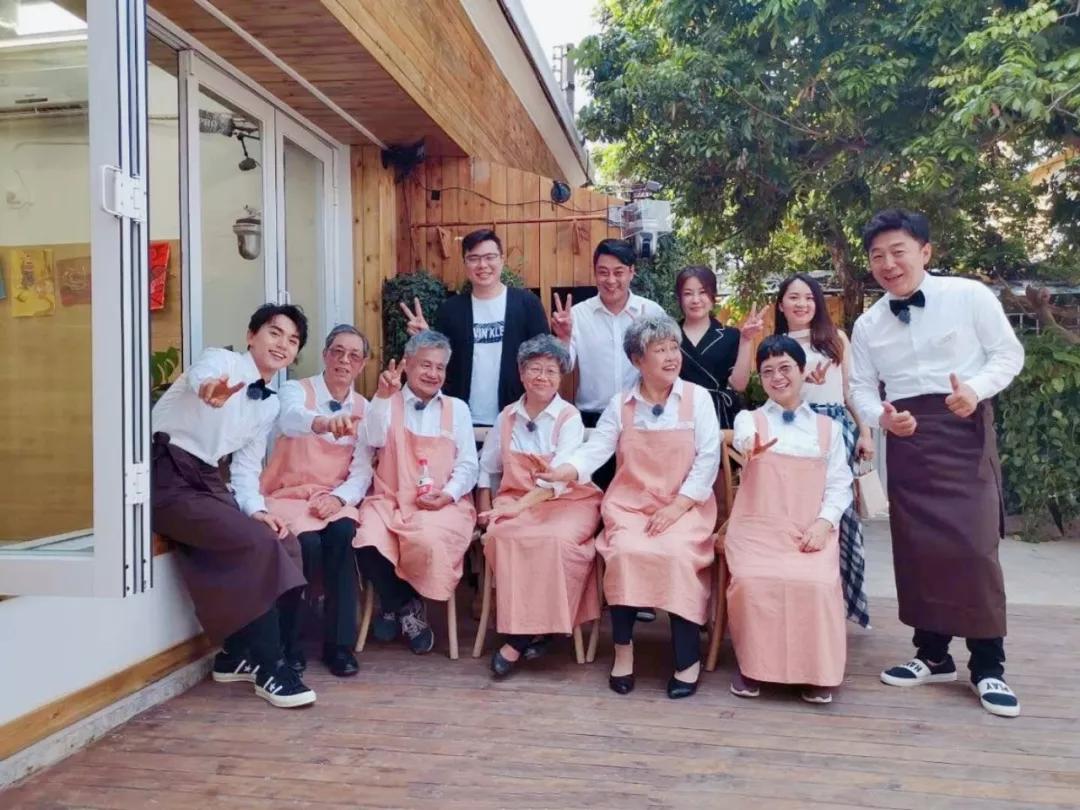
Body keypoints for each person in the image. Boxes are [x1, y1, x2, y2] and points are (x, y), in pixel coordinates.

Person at [850, 209, 1025, 718]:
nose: (887, 264)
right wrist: (880, 417)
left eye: (897, 251)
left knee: (974, 548)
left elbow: (1008, 355)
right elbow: (860, 386)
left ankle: (988, 665)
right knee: (917, 548)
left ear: (925, 251)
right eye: (877, 255)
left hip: (963, 429)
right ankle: (932, 654)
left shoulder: (968, 296)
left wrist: (976, 389)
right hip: (907, 437)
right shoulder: (868, 323)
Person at [538, 315, 720, 699]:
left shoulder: (697, 398)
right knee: (624, 552)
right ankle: (623, 651)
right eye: (660, 350)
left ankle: (687, 657)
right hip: (631, 506)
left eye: (674, 348)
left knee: (677, 555)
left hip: (685, 506)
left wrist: (678, 507)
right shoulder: (621, 403)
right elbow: (596, 450)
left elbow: (708, 459)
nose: (671, 357)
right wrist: (565, 470)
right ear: (638, 360)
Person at [151, 303, 315, 709]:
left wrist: (256, 509)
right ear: (250, 336)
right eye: (274, 332)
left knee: (285, 541)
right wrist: (209, 389)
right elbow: (203, 377)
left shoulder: (269, 404)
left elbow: (244, 468)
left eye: (293, 340)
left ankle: (239, 654)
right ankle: (269, 667)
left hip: (208, 480)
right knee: (258, 545)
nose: (282, 344)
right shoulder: (221, 361)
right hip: (166, 475)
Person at [726, 335, 853, 704]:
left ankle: (815, 673)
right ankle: (754, 668)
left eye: (785, 368)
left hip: (808, 528)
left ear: (802, 371)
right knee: (752, 581)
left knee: (814, 583)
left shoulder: (828, 428)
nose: (777, 377)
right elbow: (744, 440)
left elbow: (840, 485)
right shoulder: (749, 420)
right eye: (767, 371)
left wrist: (824, 524)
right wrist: (748, 447)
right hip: (756, 529)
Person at [476, 335, 603, 678]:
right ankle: (538, 629)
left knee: (555, 541)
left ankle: (518, 639)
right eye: (535, 369)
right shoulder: (507, 417)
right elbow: (487, 468)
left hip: (568, 500)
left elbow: (557, 481)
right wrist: (486, 509)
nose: (542, 377)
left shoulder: (569, 417)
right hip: (515, 498)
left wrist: (518, 508)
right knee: (504, 537)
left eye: (551, 370)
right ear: (521, 373)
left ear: (561, 377)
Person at [353, 330, 479, 654]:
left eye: (440, 367)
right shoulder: (386, 402)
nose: (433, 373)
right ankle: (406, 606)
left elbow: (468, 465)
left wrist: (449, 493)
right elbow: (372, 439)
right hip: (389, 497)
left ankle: (391, 606)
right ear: (407, 364)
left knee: (425, 539)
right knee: (365, 538)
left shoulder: (457, 409)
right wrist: (382, 397)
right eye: (425, 365)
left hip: (442, 505)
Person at [260, 324, 373, 678]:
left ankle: (339, 646)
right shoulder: (296, 391)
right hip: (288, 494)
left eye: (354, 355)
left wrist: (338, 499)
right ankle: (289, 642)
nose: (344, 360)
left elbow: (362, 471)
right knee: (304, 545)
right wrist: (325, 422)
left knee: (343, 536)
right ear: (325, 355)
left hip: (332, 497)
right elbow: (291, 419)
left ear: (362, 364)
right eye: (337, 351)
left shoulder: (365, 409)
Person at [773, 273, 872, 628]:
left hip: (837, 431)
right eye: (793, 297)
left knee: (839, 516)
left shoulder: (835, 338)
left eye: (808, 297)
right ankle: (800, 596)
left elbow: (850, 392)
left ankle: (841, 601)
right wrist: (800, 384)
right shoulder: (777, 344)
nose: (802, 304)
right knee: (798, 514)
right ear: (781, 304)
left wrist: (865, 432)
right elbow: (774, 395)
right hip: (794, 432)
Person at [400, 229, 549, 426]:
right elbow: (441, 362)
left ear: (502, 259)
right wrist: (427, 339)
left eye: (490, 257)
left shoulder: (527, 304)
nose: (482, 265)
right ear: (465, 263)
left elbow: (545, 359)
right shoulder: (451, 310)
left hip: (517, 418)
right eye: (474, 258)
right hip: (460, 420)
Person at [550, 238, 665, 489]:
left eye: (618, 272)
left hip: (641, 418)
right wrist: (564, 338)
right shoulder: (578, 314)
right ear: (595, 273)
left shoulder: (652, 312)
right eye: (603, 272)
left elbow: (666, 366)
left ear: (632, 272)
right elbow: (564, 367)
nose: (611, 280)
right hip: (593, 420)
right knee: (593, 495)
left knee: (640, 493)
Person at [675, 265, 744, 430]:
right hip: (678, 414)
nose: (696, 300)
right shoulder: (669, 335)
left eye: (703, 292)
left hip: (719, 416)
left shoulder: (731, 336)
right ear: (679, 298)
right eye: (688, 293)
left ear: (713, 296)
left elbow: (739, 385)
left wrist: (747, 340)